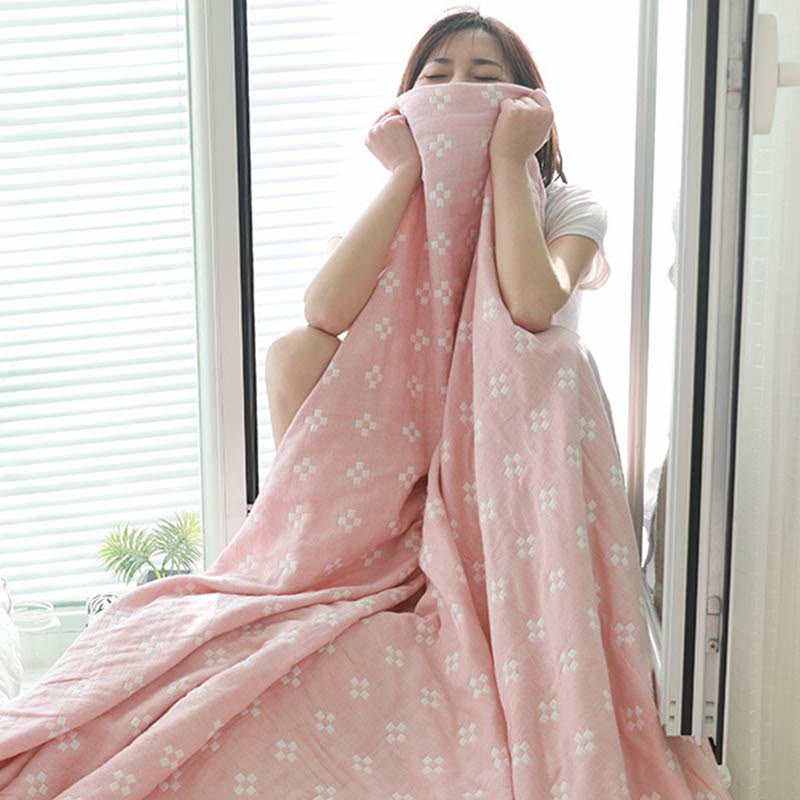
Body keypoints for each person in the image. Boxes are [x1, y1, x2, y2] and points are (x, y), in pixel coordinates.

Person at [266, 8, 611, 447]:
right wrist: (406, 173)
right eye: (436, 77)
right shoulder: (385, 203)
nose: (457, 90)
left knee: (565, 353)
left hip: (508, 424)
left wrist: (509, 160)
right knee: (294, 352)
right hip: (408, 415)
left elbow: (532, 307)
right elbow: (323, 312)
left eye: (484, 79)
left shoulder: (568, 205)